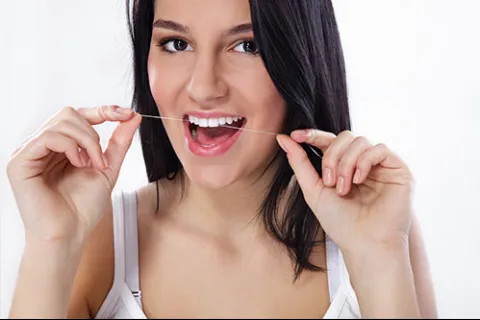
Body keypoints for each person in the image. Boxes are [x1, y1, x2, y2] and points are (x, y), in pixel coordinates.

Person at [6, 0, 437, 318]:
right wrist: (50, 244)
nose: (204, 87)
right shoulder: (97, 239)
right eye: (176, 43)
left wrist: (379, 257)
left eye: (246, 46)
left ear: (300, 58)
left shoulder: (378, 231)